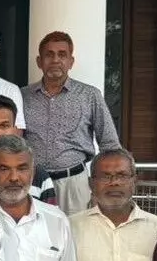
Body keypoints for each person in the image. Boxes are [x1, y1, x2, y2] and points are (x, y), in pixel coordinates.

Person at [21, 32, 121, 215]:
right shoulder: (23, 96)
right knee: (33, 230)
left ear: (71, 61)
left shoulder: (89, 95)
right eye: (49, 54)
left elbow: (109, 144)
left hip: (74, 184)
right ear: (39, 61)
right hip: (32, 182)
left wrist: (102, 185)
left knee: (76, 231)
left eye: (62, 54)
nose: (55, 60)